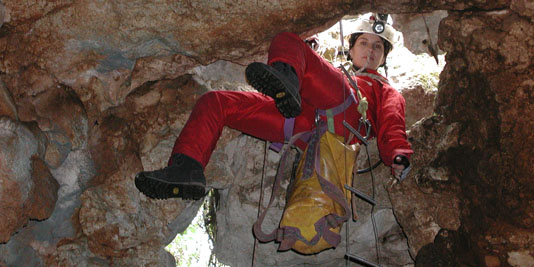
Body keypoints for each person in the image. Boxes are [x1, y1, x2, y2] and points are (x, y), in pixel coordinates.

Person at [135, 14, 413, 200]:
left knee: (287, 40)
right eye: (364, 43)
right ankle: (187, 169)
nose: (371, 50)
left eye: (378, 47)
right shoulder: (340, 72)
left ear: (384, 57)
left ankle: (289, 84)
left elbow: (392, 123)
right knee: (215, 102)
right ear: (350, 49)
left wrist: (398, 156)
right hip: (302, 125)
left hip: (345, 114)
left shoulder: (384, 88)